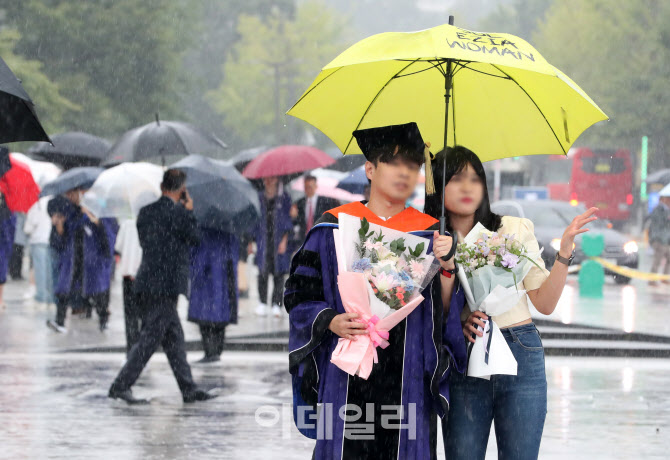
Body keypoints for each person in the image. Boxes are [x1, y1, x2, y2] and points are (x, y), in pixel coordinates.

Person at [285, 122, 464, 459]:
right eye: (394, 162)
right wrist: (330, 320)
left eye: (413, 166)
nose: (404, 173)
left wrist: (449, 266)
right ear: (370, 168)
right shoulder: (334, 227)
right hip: (347, 367)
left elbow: (445, 311)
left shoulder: (430, 235)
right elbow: (298, 292)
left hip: (406, 370)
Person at [424, 146, 597, 460]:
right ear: (438, 185)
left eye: (476, 179)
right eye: (457, 178)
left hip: (521, 352)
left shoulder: (513, 229)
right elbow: (429, 313)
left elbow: (544, 303)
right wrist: (456, 320)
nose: (467, 187)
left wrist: (564, 252)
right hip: (464, 358)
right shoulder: (430, 242)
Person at [108, 169, 216, 405]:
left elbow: (148, 241)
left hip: (147, 281)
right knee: (149, 340)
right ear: (181, 189)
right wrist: (188, 212)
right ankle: (120, 385)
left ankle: (188, 388)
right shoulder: (179, 214)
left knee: (174, 339)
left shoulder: (146, 212)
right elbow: (195, 238)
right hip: (166, 286)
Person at [46, 191, 115, 333]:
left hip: (92, 260)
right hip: (73, 259)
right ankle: (60, 322)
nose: (70, 197)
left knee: (97, 293)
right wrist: (59, 228)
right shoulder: (70, 212)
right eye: (69, 194)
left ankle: (103, 321)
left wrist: (94, 219)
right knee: (64, 290)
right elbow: (61, 240)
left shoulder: (98, 209)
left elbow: (107, 235)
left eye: (73, 193)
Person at [189, 227, 239, 363]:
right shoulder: (229, 227)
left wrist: (193, 271)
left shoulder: (203, 228)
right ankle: (216, 350)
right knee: (220, 316)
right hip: (223, 276)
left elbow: (198, 254)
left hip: (207, 277)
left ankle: (210, 351)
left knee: (204, 316)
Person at [252, 176, 292, 318]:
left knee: (279, 274)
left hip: (278, 240)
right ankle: (262, 302)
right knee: (262, 272)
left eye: (272, 178)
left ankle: (277, 304)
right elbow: (254, 219)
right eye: (266, 179)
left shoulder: (284, 198)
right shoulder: (259, 197)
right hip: (263, 239)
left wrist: (284, 240)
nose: (269, 181)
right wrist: (251, 241)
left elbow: (288, 221)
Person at [114, 218, 143, 355]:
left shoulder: (127, 224)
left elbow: (118, 247)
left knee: (130, 315)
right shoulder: (152, 221)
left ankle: (131, 349)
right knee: (144, 315)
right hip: (144, 274)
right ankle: (142, 350)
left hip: (128, 273)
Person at [24, 197, 55, 306]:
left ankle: (41, 296)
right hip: (50, 240)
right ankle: (51, 297)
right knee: (50, 270)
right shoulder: (54, 202)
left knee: (40, 270)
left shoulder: (37, 206)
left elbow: (28, 227)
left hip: (37, 240)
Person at [290, 174, 340, 241]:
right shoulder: (299, 203)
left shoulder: (325, 202)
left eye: (310, 187)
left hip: (320, 237)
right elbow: (297, 222)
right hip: (304, 239)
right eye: (306, 187)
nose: (308, 190)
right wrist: (293, 216)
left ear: (315, 186)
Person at [648, 194, 670, 286]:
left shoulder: (666, 210)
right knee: (657, 260)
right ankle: (652, 280)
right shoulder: (659, 209)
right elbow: (660, 223)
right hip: (659, 239)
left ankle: (664, 277)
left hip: (666, 240)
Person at [0, 193, 15, 309]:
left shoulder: (7, 210)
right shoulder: (8, 210)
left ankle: (0, 299)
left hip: (2, 246)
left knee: (1, 271)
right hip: (3, 246)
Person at [9, 212, 26, 280]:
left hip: (15, 239)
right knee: (18, 256)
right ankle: (16, 273)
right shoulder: (22, 215)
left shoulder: (13, 214)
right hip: (19, 239)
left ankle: (15, 272)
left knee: (16, 256)